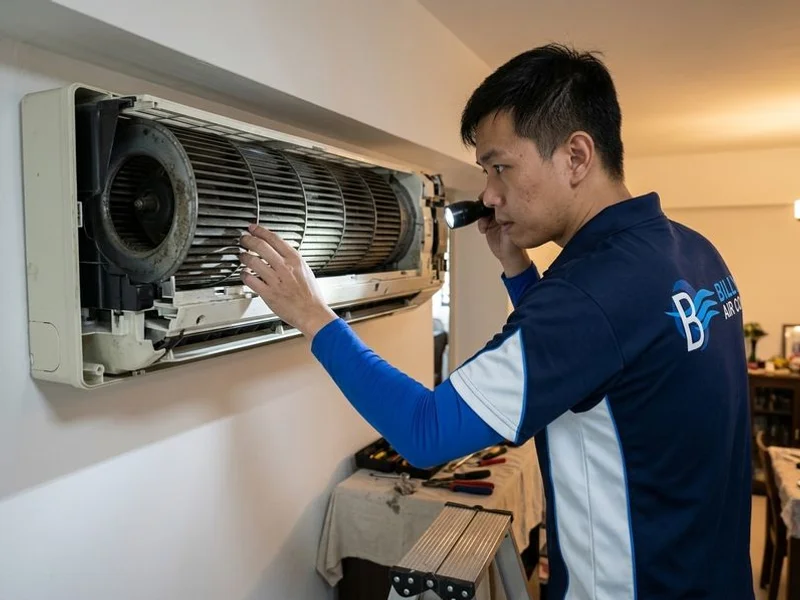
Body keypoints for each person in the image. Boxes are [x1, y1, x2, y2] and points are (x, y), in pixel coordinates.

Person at [239, 44, 754, 599]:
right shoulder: (692, 252)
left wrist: (313, 316)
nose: (488, 193)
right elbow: (600, 365)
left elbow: (425, 432)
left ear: (576, 157)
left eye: (501, 166)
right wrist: (517, 270)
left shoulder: (587, 295)